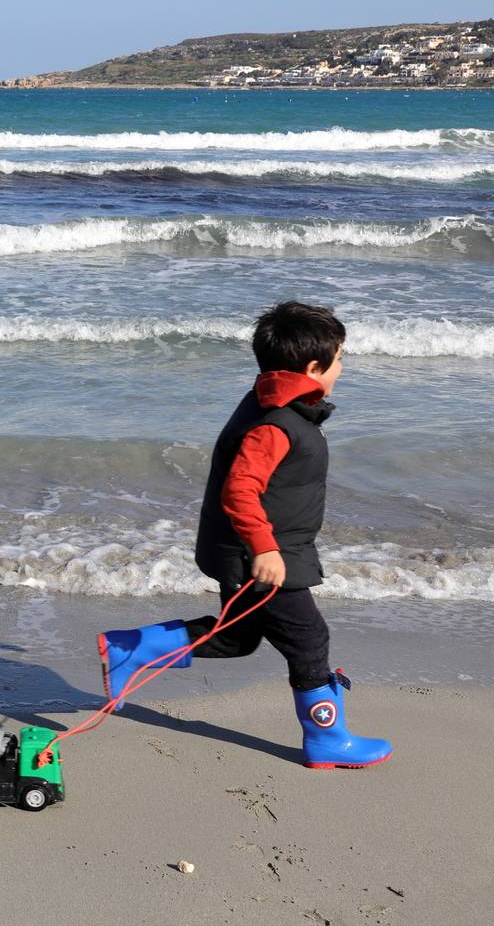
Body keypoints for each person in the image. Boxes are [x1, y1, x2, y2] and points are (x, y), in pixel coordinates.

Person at [98, 301, 392, 769]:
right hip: (261, 556)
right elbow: (239, 489)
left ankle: (131, 648)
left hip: (256, 549)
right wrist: (265, 548)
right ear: (313, 368)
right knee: (309, 639)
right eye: (339, 358)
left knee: (237, 638)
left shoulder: (274, 400)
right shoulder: (276, 425)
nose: (343, 366)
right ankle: (326, 738)